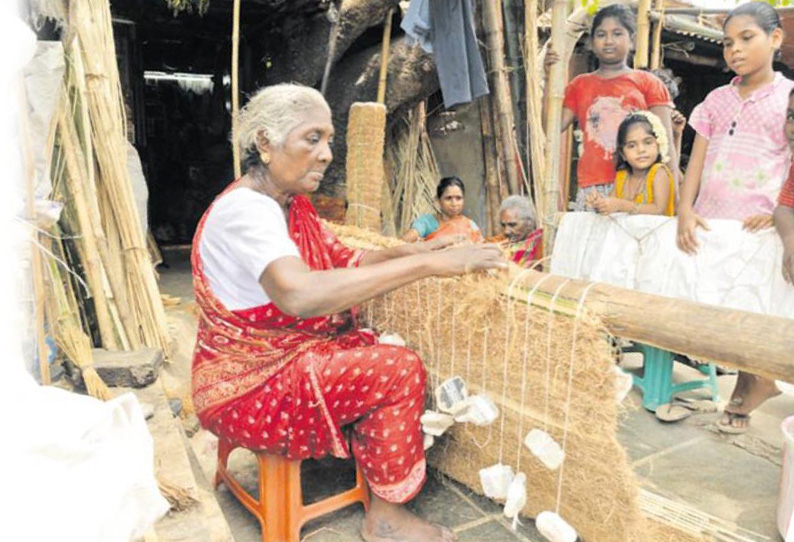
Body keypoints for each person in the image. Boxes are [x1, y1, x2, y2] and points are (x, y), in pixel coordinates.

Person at [191, 84, 506, 542]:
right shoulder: (248, 212)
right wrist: (429, 265)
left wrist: (417, 248)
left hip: (262, 368)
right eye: (311, 139)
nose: (325, 154)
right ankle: (386, 519)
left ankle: (371, 482)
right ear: (264, 142)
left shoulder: (288, 204)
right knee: (398, 370)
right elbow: (300, 296)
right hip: (249, 386)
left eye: (330, 140)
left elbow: (347, 260)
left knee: (373, 346)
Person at [676, 2, 794, 434]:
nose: (735, 50)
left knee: (752, 308)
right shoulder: (715, 99)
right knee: (720, 306)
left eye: (748, 39)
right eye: (728, 42)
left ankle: (748, 393)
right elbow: (697, 161)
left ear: (775, 39)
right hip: (712, 222)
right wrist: (685, 210)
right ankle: (754, 386)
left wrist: (780, 210)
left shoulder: (787, 98)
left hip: (759, 224)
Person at [544, 4, 678, 211]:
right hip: (593, 187)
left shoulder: (649, 83)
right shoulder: (580, 85)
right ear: (591, 43)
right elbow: (552, 127)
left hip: (640, 184)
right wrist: (548, 76)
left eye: (617, 33)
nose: (608, 41)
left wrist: (675, 199)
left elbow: (666, 144)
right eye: (601, 35)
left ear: (631, 39)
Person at [588, 112, 675, 216]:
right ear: (623, 154)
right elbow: (612, 206)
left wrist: (622, 205)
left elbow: (658, 209)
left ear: (658, 145)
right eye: (632, 146)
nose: (641, 150)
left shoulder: (659, 172)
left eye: (647, 142)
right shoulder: (622, 177)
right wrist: (600, 204)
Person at [401, 176, 482, 243]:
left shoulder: (470, 225)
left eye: (458, 198)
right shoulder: (426, 222)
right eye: (448, 198)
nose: (454, 203)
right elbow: (407, 239)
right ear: (438, 200)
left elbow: (481, 246)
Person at [490, 195, 543, 267]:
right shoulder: (500, 242)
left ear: (529, 222)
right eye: (503, 225)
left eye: (512, 225)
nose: (506, 231)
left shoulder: (541, 245)